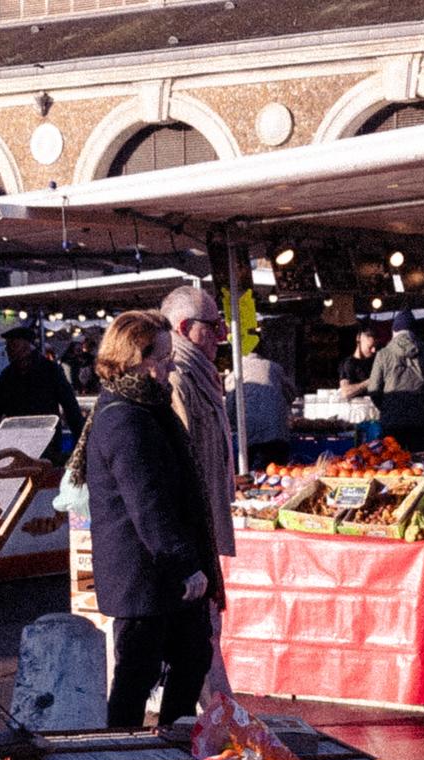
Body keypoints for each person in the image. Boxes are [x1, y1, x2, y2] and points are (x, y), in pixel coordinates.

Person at [67, 310, 218, 727]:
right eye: (163, 358)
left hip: (155, 574)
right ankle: (123, 752)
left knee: (191, 656)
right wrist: (184, 564)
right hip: (143, 576)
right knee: (138, 675)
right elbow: (147, 502)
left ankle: (171, 738)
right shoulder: (125, 417)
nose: (170, 366)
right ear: (135, 359)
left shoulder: (145, 407)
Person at [159, 285, 236, 707]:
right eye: (213, 326)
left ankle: (215, 711)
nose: (221, 336)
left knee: (204, 628)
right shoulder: (179, 378)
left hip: (203, 522)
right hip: (192, 528)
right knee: (198, 631)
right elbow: (183, 466)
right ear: (186, 327)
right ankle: (216, 713)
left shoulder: (200, 376)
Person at [0, 325, 84, 461]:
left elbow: (70, 407)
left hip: (44, 440)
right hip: (17, 441)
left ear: (27, 347)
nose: (7, 350)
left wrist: (80, 440)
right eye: (7, 346)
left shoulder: (50, 370)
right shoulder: (8, 374)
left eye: (12, 345)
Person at [367, 309, 424, 452]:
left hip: (391, 419)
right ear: (413, 331)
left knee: (391, 460)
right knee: (419, 460)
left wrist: (387, 405)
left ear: (394, 331)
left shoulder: (383, 354)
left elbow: (373, 388)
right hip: (420, 418)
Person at [224, 338, 296, 473]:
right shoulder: (274, 368)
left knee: (248, 474)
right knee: (278, 473)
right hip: (276, 432)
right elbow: (291, 394)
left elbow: (230, 411)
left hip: (249, 435)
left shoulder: (234, 376)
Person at [338, 326, 377, 399]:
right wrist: (369, 382)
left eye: (375, 346)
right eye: (370, 347)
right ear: (359, 338)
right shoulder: (347, 363)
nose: (374, 350)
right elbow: (346, 392)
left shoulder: (377, 361)